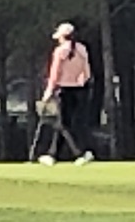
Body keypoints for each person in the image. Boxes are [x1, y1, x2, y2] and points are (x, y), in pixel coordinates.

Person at [35, 21, 96, 162]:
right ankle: (52, 155)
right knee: (69, 123)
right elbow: (87, 72)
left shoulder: (60, 51)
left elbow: (54, 74)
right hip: (81, 89)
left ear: (63, 37)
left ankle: (81, 153)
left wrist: (48, 92)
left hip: (64, 90)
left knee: (64, 125)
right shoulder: (82, 49)